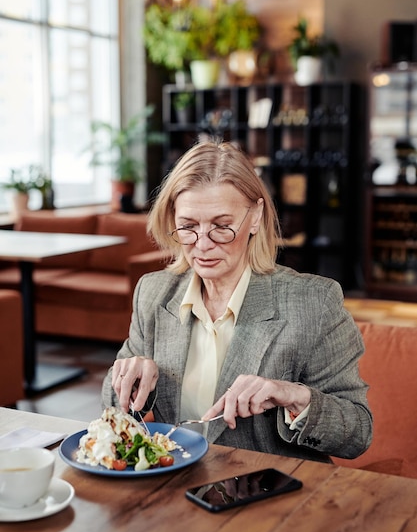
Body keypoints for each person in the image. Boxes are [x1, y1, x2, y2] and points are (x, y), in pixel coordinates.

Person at [102, 140, 372, 463]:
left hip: (271, 497)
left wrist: (294, 397)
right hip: (175, 490)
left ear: (255, 216)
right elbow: (111, 405)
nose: (202, 245)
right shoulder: (153, 293)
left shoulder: (314, 302)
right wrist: (127, 381)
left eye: (221, 227)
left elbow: (358, 431)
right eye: (188, 227)